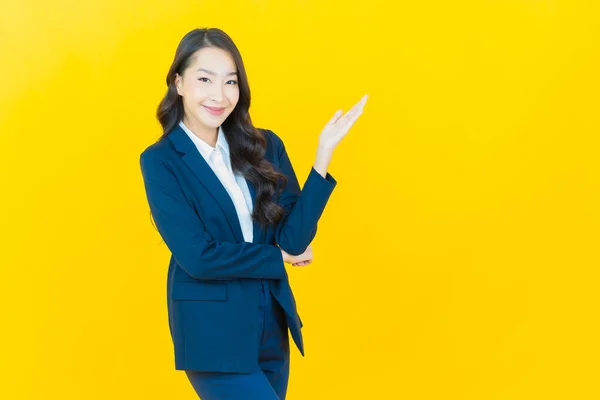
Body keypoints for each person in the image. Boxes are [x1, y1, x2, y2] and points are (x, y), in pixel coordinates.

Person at [139, 27, 367, 400]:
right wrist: (277, 257)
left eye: (231, 81)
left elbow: (294, 240)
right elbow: (199, 257)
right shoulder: (161, 161)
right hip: (213, 334)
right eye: (204, 80)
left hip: (271, 324)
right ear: (179, 83)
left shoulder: (264, 146)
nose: (219, 94)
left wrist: (322, 159)